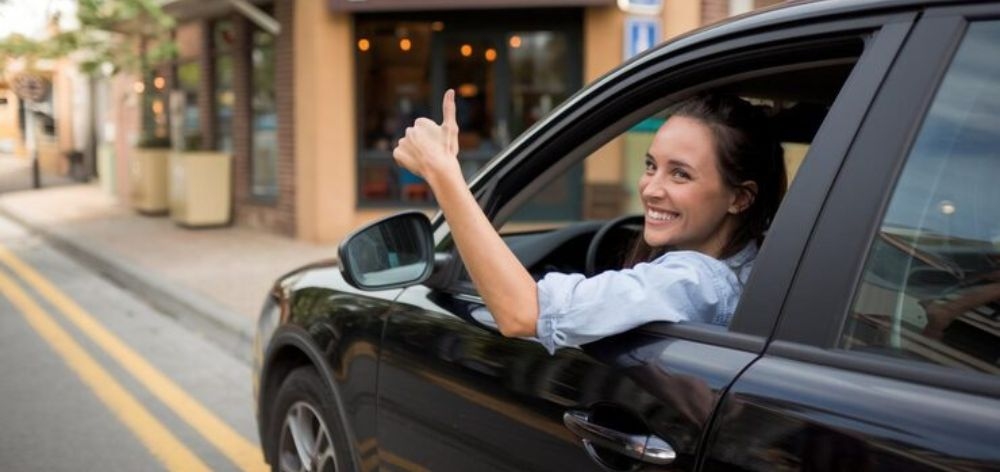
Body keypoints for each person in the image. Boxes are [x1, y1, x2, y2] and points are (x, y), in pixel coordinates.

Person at [393, 90, 786, 353]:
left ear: (739, 198)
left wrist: (442, 173)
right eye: (651, 166)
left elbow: (521, 313)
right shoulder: (758, 265)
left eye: (680, 174)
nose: (651, 189)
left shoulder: (692, 282)